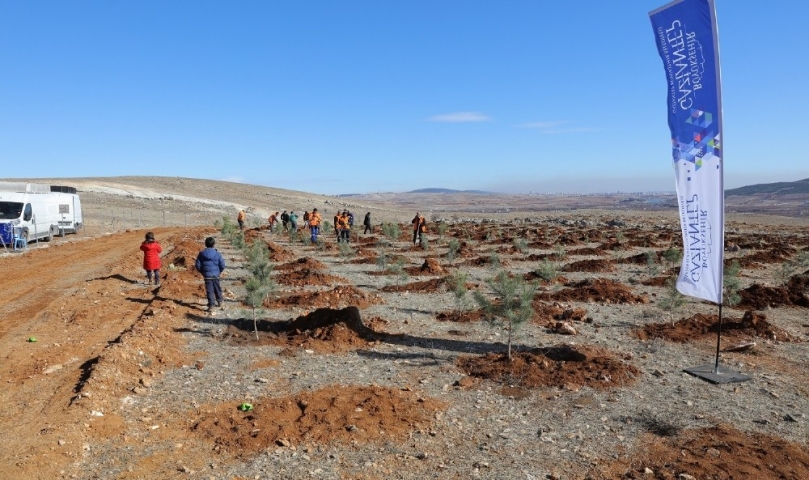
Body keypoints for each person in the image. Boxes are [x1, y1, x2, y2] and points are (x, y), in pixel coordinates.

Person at [195, 236, 226, 313]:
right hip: (216, 275)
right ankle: (220, 302)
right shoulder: (217, 254)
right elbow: (222, 265)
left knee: (210, 290)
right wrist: (219, 271)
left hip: (207, 276)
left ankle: (211, 305)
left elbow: (198, 265)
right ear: (214, 244)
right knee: (217, 288)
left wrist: (203, 272)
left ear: (205, 244)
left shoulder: (201, 254)